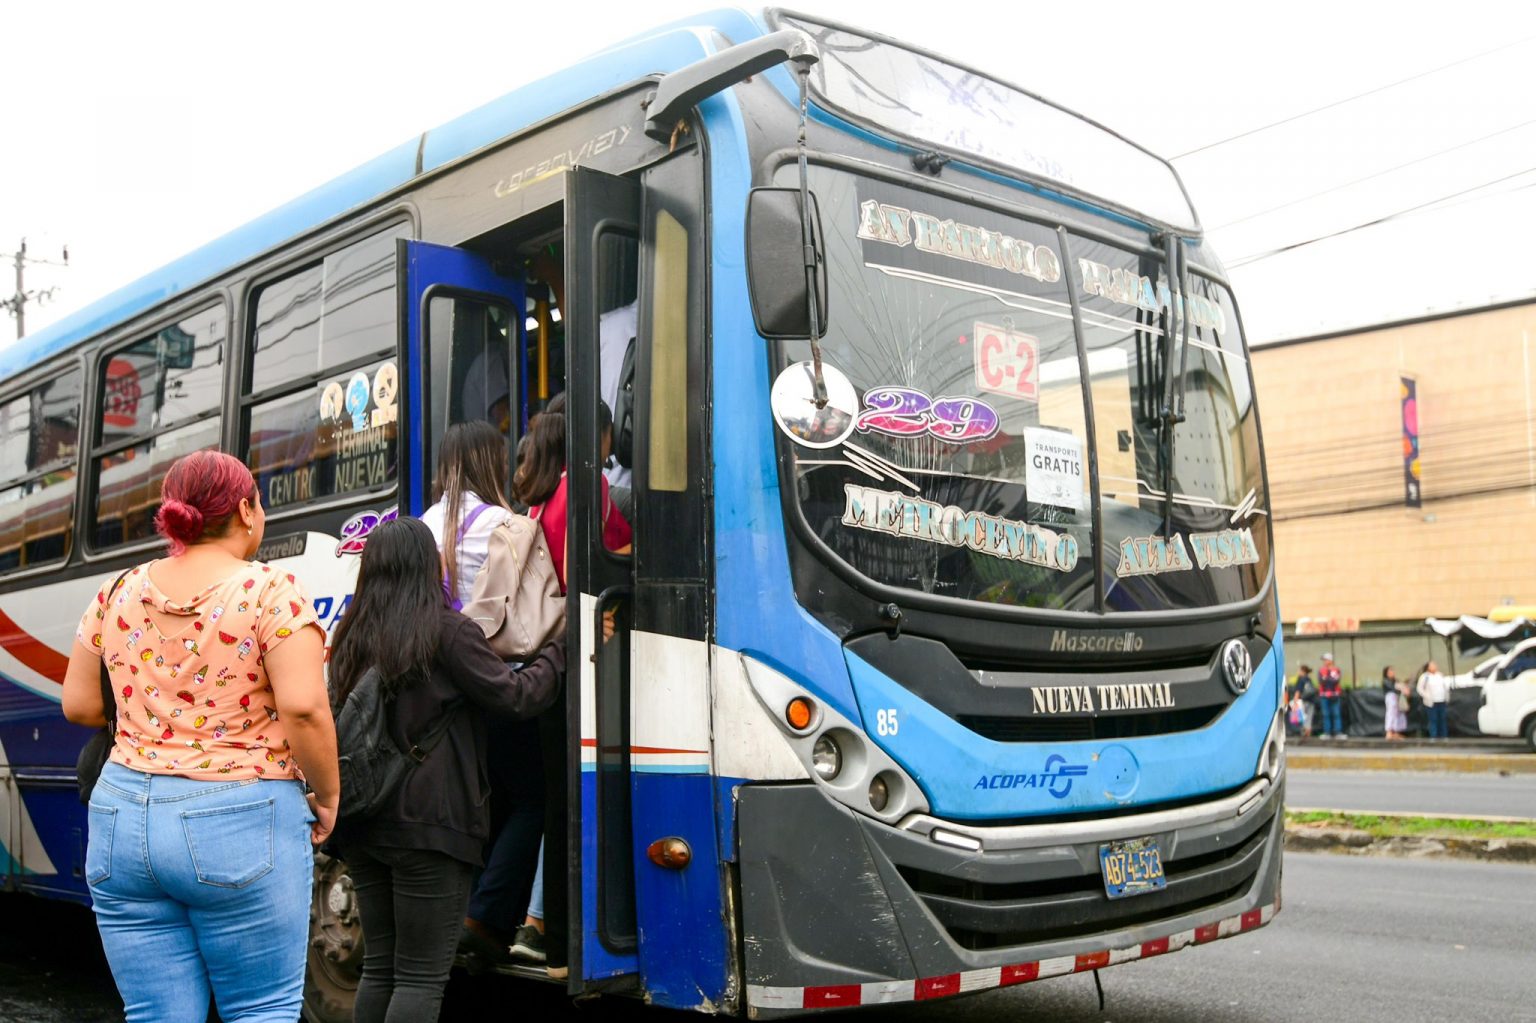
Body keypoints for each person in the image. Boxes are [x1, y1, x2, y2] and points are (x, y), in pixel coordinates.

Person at [62, 450, 336, 1023]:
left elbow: (79, 705)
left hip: (121, 818)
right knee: (260, 1009)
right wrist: (328, 795)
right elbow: (304, 709)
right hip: (238, 817)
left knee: (156, 1014)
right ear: (246, 511)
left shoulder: (118, 590)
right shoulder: (270, 591)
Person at [327, 517, 565, 1023]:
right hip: (430, 826)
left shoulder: (350, 635)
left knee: (381, 969)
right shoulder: (448, 631)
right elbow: (516, 697)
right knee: (419, 977)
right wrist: (558, 654)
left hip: (363, 822)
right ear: (428, 566)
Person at [512, 392, 633, 980]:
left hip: (540, 660)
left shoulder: (535, 496)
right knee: (576, 803)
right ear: (597, 434)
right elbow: (614, 557)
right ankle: (564, 942)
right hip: (577, 657)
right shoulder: (589, 489)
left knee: (554, 801)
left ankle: (545, 932)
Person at [420, 421, 545, 969]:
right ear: (490, 463)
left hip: (443, 687)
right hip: (496, 677)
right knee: (532, 799)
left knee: (479, 798)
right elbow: (534, 605)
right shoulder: (505, 523)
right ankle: (488, 915)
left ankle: (463, 913)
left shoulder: (423, 525)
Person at [1417, 660, 1450, 740]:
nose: (1435, 666)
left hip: (1441, 700)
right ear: (1428, 667)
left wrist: (1447, 696)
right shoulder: (1425, 677)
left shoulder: (1440, 675)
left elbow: (1445, 686)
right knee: (1433, 719)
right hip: (1431, 702)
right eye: (1432, 665)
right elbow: (1419, 689)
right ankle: (1433, 736)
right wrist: (1427, 696)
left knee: (1442, 719)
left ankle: (1444, 736)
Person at [1317, 653, 1343, 739]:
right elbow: (1321, 681)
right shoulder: (1321, 670)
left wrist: (1326, 678)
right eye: (1324, 660)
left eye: (1326, 660)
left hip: (1334, 695)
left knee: (1336, 714)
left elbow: (1335, 681)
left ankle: (1338, 732)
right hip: (1324, 695)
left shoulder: (1336, 669)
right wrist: (1328, 679)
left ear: (1330, 660)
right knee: (1326, 714)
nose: (1324, 662)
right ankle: (1327, 733)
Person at [1381, 666, 1408, 740]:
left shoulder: (1396, 680)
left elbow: (1402, 687)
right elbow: (1393, 688)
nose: (1392, 672)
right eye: (1390, 671)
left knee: (1398, 715)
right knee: (1391, 714)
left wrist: (1404, 688)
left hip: (1398, 698)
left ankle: (1396, 733)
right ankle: (1389, 732)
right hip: (1391, 698)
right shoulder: (1385, 681)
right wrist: (1401, 688)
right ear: (1386, 673)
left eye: (1393, 670)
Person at [1291, 664, 1317, 739]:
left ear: (1303, 671)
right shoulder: (1309, 679)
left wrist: (1295, 700)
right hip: (1311, 701)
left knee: (1302, 717)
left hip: (1303, 701)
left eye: (1299, 670)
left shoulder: (1300, 679)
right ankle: (1308, 732)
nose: (1298, 672)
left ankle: (1304, 733)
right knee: (1309, 717)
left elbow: (1298, 690)